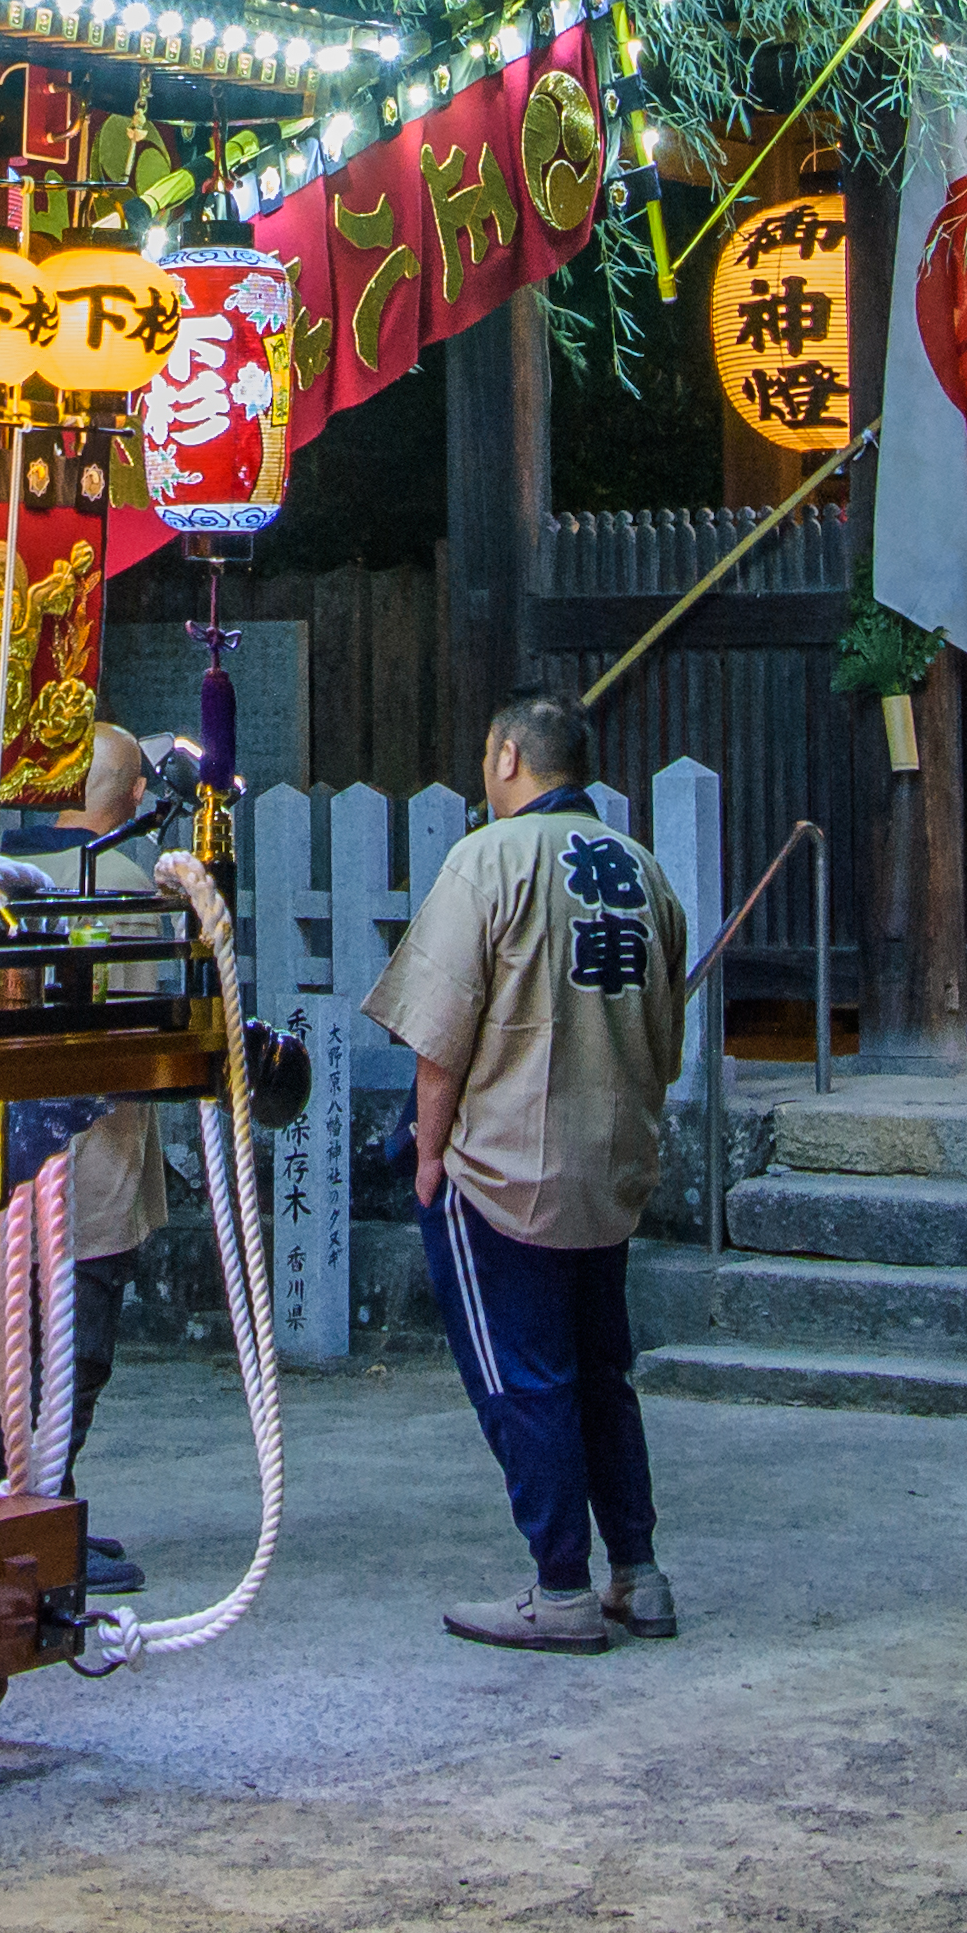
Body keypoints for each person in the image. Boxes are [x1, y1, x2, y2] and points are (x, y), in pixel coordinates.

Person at [380, 692, 687, 1655]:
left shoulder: (488, 859)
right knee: (603, 1368)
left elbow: (438, 1038)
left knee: (527, 1377)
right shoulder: (641, 870)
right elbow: (666, 1038)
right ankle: (636, 1572)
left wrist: (428, 1159)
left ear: (509, 755)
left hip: (503, 1165)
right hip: (610, 1161)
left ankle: (559, 1584)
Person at [0, 727, 179, 1595]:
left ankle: (48, 1507)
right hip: (90, 1160)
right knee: (75, 1350)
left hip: (5, 1157)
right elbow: (146, 1028)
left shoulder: (5, 876)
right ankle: (35, 1527)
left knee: (14, 1344)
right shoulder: (128, 884)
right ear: (131, 797)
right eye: (141, 787)